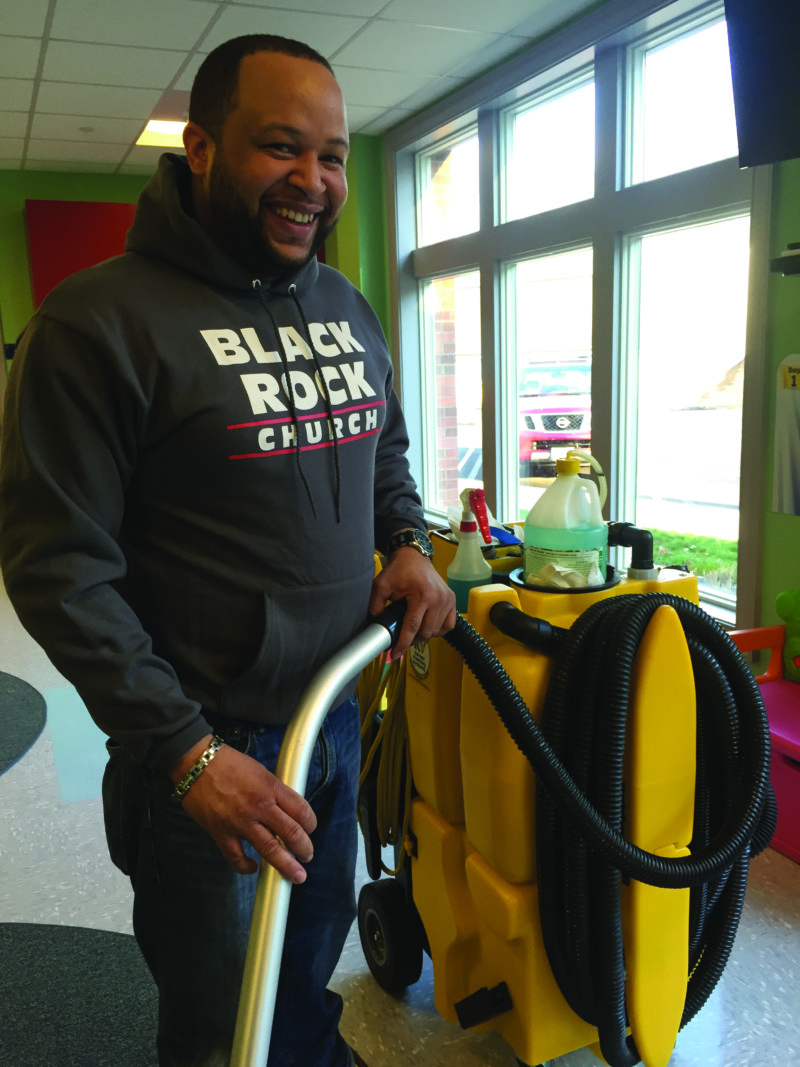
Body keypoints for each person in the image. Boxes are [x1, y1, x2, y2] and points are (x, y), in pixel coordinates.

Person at [0, 34, 455, 1067]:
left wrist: (404, 540)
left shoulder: (343, 304)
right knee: (222, 1024)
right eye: (280, 147)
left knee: (303, 975)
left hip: (331, 719)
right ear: (199, 147)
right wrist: (187, 752)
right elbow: (57, 566)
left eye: (332, 156)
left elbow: (382, 443)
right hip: (211, 751)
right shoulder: (97, 321)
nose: (314, 180)